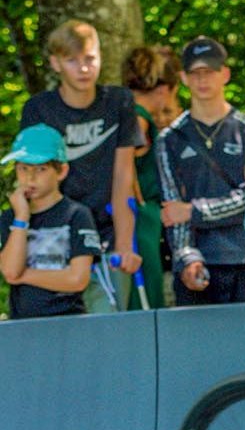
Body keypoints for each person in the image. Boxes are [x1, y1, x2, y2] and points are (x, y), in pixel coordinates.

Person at [20, 20, 144, 313]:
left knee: (109, 330)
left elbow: (124, 176)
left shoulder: (118, 102)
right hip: (54, 238)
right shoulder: (39, 109)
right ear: (55, 63)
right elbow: (32, 179)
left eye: (90, 58)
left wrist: (124, 245)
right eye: (72, 60)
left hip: (106, 237)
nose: (83, 68)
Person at [156, 37, 245, 306]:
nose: (202, 80)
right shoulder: (169, 139)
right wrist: (187, 258)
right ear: (183, 78)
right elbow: (173, 211)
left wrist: (194, 212)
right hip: (199, 265)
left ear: (225, 74)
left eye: (210, 71)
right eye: (195, 73)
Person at [1, 125, 100, 319]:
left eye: (41, 169)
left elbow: (78, 279)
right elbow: (11, 271)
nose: (30, 178)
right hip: (22, 325)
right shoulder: (10, 217)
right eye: (23, 168)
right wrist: (21, 219)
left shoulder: (77, 214)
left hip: (69, 321)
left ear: (61, 171)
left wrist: (24, 275)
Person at [122, 44, 182, 309]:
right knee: (146, 297)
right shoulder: (139, 117)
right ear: (163, 89)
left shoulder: (123, 112)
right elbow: (125, 166)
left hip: (142, 218)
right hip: (140, 217)